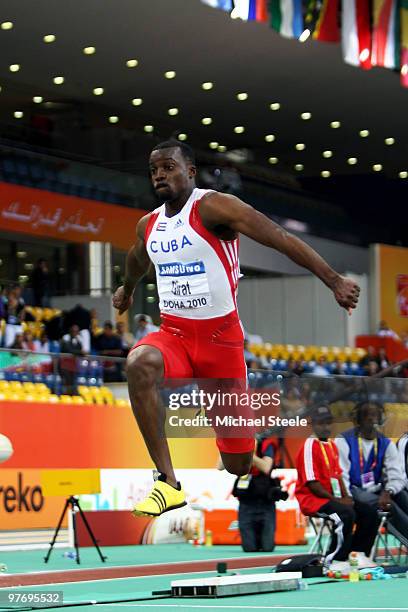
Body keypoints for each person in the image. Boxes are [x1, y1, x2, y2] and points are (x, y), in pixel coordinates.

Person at [112, 139, 360, 518]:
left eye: (169, 167)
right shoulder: (150, 225)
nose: (160, 174)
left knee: (238, 465)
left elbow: (281, 238)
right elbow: (136, 260)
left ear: (191, 172)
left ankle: (239, 436)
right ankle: (167, 483)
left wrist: (333, 280)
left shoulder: (214, 207)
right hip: (174, 335)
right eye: (154, 170)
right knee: (139, 362)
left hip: (220, 344)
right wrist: (126, 290)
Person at [336, 401, 408, 560]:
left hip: (376, 489)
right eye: (367, 415)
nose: (371, 419)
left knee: (402, 496)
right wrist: (346, 496)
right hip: (353, 489)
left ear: (381, 419)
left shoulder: (385, 443)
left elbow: (397, 476)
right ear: (358, 419)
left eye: (375, 415)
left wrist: (388, 491)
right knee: (379, 505)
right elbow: (341, 474)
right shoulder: (344, 440)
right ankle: (360, 553)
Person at [295, 406, 355, 569]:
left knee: (366, 510)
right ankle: (334, 559)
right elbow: (312, 484)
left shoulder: (331, 445)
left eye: (328, 423)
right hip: (313, 500)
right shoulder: (309, 446)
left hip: (329, 499)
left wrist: (347, 496)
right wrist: (338, 500)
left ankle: (359, 553)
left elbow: (338, 475)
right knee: (345, 514)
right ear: (312, 424)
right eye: (321, 423)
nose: (326, 427)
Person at [229, 436, 281, 552]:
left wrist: (248, 453)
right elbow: (220, 465)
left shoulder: (266, 443)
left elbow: (266, 467)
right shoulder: (237, 442)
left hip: (265, 502)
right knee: (249, 548)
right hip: (246, 502)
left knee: (268, 548)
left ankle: (262, 539)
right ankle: (255, 540)